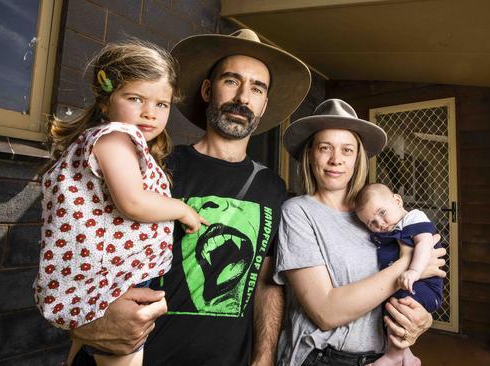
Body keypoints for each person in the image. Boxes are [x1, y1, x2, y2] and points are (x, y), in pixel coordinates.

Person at [69, 29, 312, 365]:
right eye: (231, 81)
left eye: (257, 88)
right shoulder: (154, 168)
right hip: (141, 354)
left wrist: (264, 355)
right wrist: (86, 327)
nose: (243, 97)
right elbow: (88, 246)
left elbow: (266, 283)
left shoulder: (272, 186)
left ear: (264, 104)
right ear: (208, 90)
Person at [34, 40, 207, 366]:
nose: (149, 112)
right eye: (135, 98)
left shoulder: (124, 142)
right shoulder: (114, 138)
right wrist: (183, 210)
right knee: (125, 353)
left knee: (89, 353)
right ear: (105, 101)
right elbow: (132, 202)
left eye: (162, 104)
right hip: (110, 278)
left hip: (110, 276)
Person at [274, 98, 446, 366]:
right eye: (325, 148)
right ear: (310, 155)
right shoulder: (298, 212)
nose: (336, 160)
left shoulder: (376, 215)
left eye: (347, 150)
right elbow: (325, 312)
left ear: (358, 159)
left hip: (379, 356)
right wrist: (407, 266)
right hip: (323, 357)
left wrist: (421, 318)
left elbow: (422, 273)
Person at [355, 183, 443, 366]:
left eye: (381, 213)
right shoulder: (388, 232)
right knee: (389, 309)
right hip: (405, 283)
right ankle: (408, 357)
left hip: (423, 284)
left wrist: (414, 271)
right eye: (372, 223)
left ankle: (393, 357)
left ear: (397, 200)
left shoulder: (413, 217)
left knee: (399, 305)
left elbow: (425, 243)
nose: (381, 224)